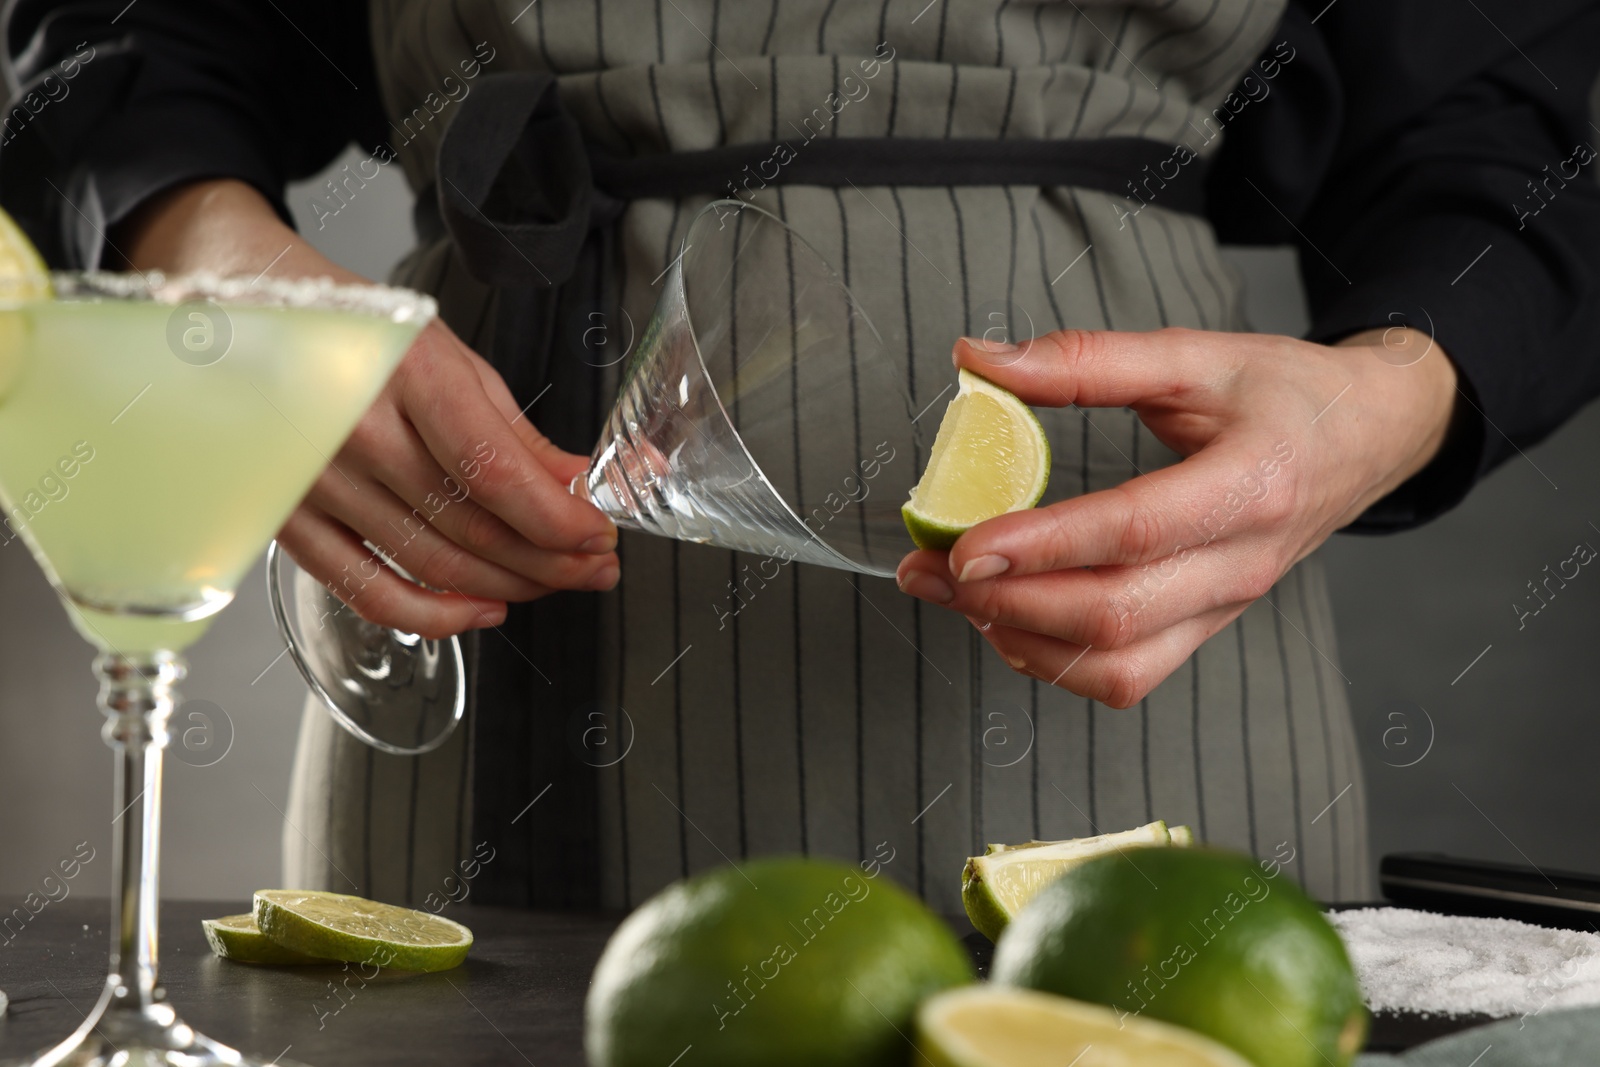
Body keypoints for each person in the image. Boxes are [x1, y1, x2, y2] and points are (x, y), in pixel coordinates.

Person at [5, 0, 1600, 916]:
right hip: (476, 694)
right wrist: (229, 288)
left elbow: (1519, 123)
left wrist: (1392, 393)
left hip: (1141, 704)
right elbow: (117, 31)